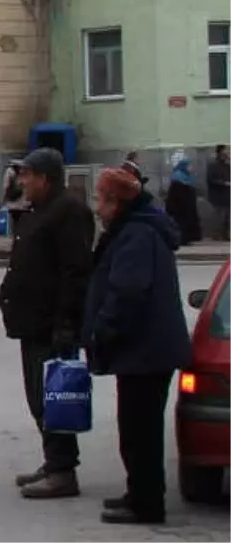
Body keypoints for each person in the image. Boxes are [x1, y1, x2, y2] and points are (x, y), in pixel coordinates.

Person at [83, 167, 192, 525]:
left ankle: (146, 504)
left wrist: (103, 329)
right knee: (137, 429)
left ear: (115, 201)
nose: (97, 208)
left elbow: (127, 292)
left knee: (139, 432)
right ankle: (139, 493)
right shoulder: (137, 229)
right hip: (146, 348)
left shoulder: (136, 234)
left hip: (145, 349)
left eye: (100, 199)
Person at [0, 147, 96, 499]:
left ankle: (63, 470)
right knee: (38, 397)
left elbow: (76, 271)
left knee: (53, 397)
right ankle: (52, 461)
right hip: (31, 321)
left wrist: (66, 322)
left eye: (27, 175)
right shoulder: (39, 208)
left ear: (45, 178)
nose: (22, 180)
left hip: (51, 323)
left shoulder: (69, 211)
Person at [164, 156, 201, 245]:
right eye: (189, 166)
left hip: (186, 207)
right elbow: (178, 195)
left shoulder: (186, 177)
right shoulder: (178, 177)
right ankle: (182, 239)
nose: (190, 168)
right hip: (180, 208)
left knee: (186, 223)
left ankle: (187, 239)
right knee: (181, 223)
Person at [207, 144, 231, 240]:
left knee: (228, 217)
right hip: (218, 196)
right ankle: (217, 235)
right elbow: (210, 180)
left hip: (228, 196)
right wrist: (224, 183)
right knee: (219, 217)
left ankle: (226, 235)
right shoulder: (213, 165)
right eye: (226, 151)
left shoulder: (227, 166)